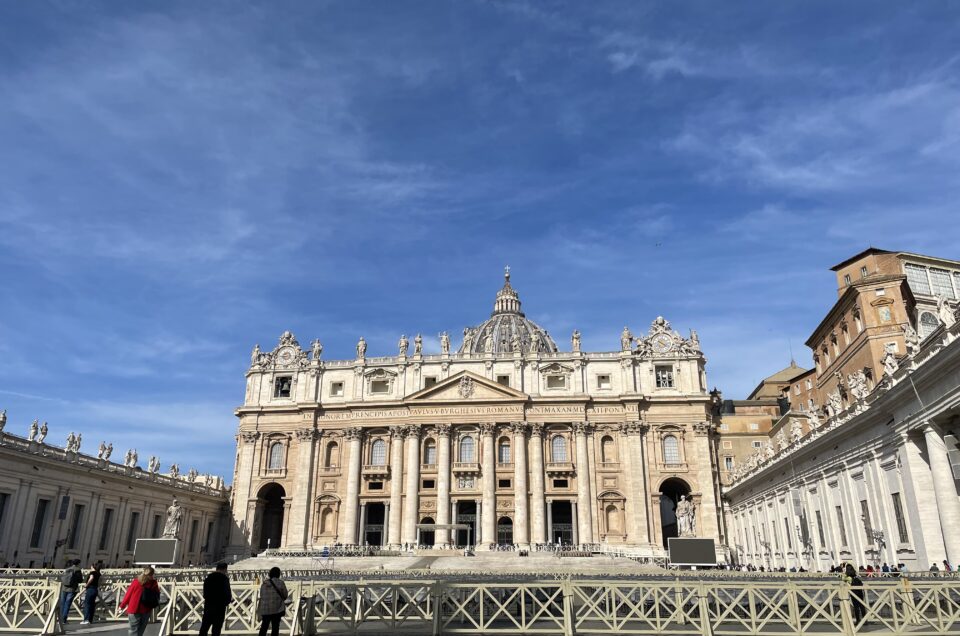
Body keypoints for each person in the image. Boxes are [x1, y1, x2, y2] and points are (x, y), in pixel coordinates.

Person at [120, 566, 161, 636]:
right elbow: (157, 595)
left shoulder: (136, 581)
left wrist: (122, 606)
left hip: (133, 608)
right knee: (141, 630)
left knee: (133, 630)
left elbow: (128, 594)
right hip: (146, 608)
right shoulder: (153, 583)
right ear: (152, 574)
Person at [200, 563, 232, 636]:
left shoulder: (208, 578)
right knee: (216, 631)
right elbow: (228, 595)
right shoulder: (224, 579)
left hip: (208, 607)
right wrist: (225, 603)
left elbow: (205, 594)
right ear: (225, 569)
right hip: (220, 608)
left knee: (204, 629)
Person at [256, 567, 289, 636]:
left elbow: (261, 595)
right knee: (275, 628)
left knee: (264, 627)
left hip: (266, 609)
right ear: (278, 574)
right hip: (277, 609)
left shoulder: (264, 583)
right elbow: (285, 595)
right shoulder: (281, 583)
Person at [58, 559, 84, 624]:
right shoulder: (78, 570)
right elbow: (80, 580)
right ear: (78, 563)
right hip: (72, 589)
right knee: (67, 604)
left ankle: (59, 618)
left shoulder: (67, 569)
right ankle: (64, 620)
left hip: (64, 588)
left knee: (62, 603)